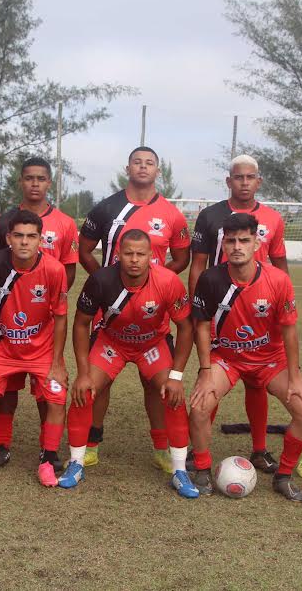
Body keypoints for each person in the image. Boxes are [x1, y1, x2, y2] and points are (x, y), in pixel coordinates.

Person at [58, 230, 198, 498]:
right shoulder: (100, 280)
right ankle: (76, 463)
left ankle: (179, 470)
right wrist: (83, 373)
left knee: (173, 394)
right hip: (112, 343)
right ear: (118, 254)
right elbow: (81, 324)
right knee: (84, 392)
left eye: (140, 254)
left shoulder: (168, 282)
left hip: (151, 345)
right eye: (128, 253)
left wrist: (177, 376)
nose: (134, 259)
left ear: (152, 256)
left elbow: (186, 327)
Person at [77, 146, 191, 473]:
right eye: (137, 162)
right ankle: (92, 444)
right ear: (127, 167)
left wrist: (157, 280)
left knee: (155, 383)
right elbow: (84, 250)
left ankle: (160, 448)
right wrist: (104, 284)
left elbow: (182, 257)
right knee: (101, 382)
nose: (143, 167)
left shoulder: (172, 214)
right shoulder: (105, 208)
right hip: (110, 312)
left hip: (152, 313)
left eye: (150, 163)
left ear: (159, 170)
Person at [187, 213, 302, 500]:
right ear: (223, 245)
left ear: (257, 242)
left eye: (244, 240)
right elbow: (202, 326)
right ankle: (204, 471)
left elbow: (290, 331)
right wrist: (205, 372)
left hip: (270, 358)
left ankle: (283, 476)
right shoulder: (210, 279)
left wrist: (295, 378)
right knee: (199, 406)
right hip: (227, 358)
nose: (237, 246)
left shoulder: (278, 280)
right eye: (230, 241)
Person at [187, 155, 289, 473]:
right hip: (220, 309)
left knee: (257, 382)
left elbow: (280, 263)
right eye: (238, 177)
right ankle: (198, 450)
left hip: (260, 310)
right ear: (228, 181)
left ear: (258, 181)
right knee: (212, 378)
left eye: (250, 177)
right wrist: (196, 307)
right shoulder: (210, 215)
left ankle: (259, 449)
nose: (244, 182)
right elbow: (198, 265)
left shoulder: (273, 218)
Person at [0, 210, 69, 486]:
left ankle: (47, 459)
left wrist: (57, 362)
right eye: (18, 235)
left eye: (31, 236)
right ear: (8, 238)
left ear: (40, 240)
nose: (24, 242)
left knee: (57, 396)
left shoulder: (54, 269)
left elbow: (61, 317)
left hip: (42, 350)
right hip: (4, 346)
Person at [0, 156, 79, 468]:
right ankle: (2, 444)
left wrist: (49, 301)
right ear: (21, 182)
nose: (35, 184)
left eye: (41, 178)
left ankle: (47, 448)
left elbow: (68, 271)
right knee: (7, 387)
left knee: (47, 387)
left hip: (45, 317)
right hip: (10, 317)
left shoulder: (65, 223)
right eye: (29, 178)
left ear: (49, 182)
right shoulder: (3, 222)